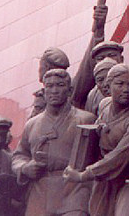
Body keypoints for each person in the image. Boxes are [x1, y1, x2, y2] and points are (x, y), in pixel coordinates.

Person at [64, 64, 129, 216]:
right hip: (106, 176)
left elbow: (120, 156)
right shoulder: (104, 105)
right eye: (120, 84)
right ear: (108, 85)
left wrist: (84, 175)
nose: (126, 90)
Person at [13, 69, 94, 216]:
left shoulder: (86, 120)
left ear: (69, 90)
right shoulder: (32, 124)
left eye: (60, 85)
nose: (54, 91)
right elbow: (19, 155)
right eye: (49, 86)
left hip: (74, 191)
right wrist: (25, 168)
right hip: (39, 193)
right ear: (44, 92)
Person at [30, 47, 70, 118]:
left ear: (47, 67)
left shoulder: (69, 91)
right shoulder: (41, 95)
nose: (39, 70)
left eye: (40, 66)